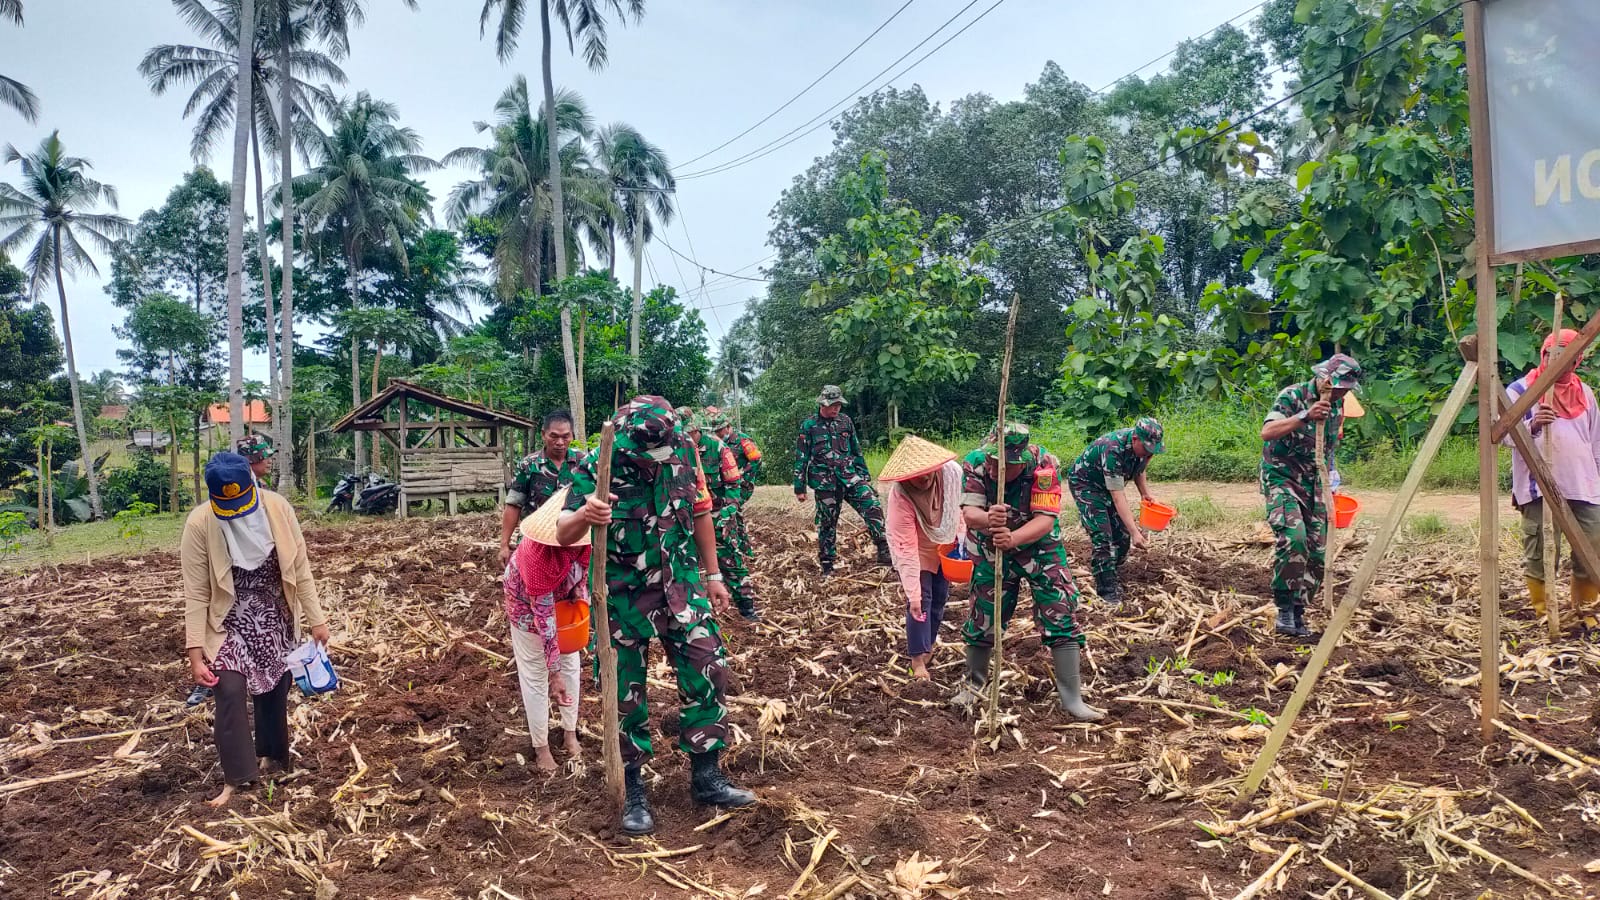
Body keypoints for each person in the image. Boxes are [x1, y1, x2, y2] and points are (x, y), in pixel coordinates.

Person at [557, 397, 755, 836]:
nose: (656, 456)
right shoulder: (599, 460)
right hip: (622, 595)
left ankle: (707, 778)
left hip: (682, 586)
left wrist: (714, 573)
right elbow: (563, 528)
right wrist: (587, 514)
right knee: (626, 695)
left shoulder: (684, 448)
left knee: (710, 667)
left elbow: (700, 510)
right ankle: (634, 792)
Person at [181, 452, 329, 807]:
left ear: (252, 482)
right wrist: (195, 651)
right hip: (227, 620)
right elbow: (197, 591)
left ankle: (273, 758)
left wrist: (317, 618)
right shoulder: (200, 524)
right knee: (229, 689)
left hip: (275, 613)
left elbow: (301, 567)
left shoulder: (278, 509)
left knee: (275, 687)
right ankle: (238, 779)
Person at [951, 424, 1103, 721]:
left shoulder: (1045, 466)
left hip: (1039, 547)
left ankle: (1072, 698)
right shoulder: (976, 462)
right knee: (984, 614)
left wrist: (1014, 538)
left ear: (1020, 461)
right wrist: (987, 518)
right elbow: (970, 514)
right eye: (992, 460)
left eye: (1002, 464)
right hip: (990, 546)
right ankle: (973, 686)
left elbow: (1045, 520)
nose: (994, 468)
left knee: (1059, 610)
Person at [1259, 354, 1362, 639]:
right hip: (1282, 477)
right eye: (1336, 386)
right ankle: (1284, 609)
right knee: (1295, 537)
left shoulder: (1338, 405)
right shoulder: (1292, 396)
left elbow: (1328, 447)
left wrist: (1331, 479)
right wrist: (1305, 415)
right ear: (1322, 377)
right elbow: (1267, 432)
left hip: (1315, 479)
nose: (1339, 392)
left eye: (1345, 389)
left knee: (1318, 548)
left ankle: (1299, 609)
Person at [1505, 329, 1600, 629]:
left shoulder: (1584, 393)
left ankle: (1585, 611)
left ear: (1577, 361)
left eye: (1567, 357)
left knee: (1591, 548)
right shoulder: (1521, 391)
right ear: (1543, 355)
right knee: (1542, 550)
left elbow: (1595, 441)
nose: (1558, 363)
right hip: (1539, 485)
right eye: (1552, 355)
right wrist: (1532, 425)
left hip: (1584, 485)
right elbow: (1503, 434)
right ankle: (1545, 612)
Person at [503, 488, 586, 771]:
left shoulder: (586, 537)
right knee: (537, 674)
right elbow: (543, 615)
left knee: (571, 662)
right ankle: (541, 748)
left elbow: (585, 570)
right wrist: (554, 672)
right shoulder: (536, 555)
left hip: (562, 601)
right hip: (527, 607)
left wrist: (577, 588)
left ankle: (569, 732)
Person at [880, 435, 964, 680]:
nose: (925, 478)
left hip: (945, 538)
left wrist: (964, 546)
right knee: (920, 601)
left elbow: (962, 510)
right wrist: (912, 593)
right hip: (917, 545)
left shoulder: (951, 475)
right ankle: (917, 660)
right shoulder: (901, 495)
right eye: (917, 475)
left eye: (929, 472)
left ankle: (928, 646)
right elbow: (904, 545)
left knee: (940, 596)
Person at [1068, 418, 1166, 610]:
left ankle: (1112, 567)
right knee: (1103, 535)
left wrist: (1145, 493)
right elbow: (1117, 496)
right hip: (1087, 484)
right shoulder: (1112, 449)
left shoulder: (1143, 449)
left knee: (1121, 537)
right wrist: (1136, 530)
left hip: (1109, 486)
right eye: (1147, 450)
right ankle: (1107, 589)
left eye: (1152, 452)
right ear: (1136, 439)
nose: (1149, 455)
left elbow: (1140, 469)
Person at [793, 385, 890, 574]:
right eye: (832, 405)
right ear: (822, 403)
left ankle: (883, 549)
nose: (836, 408)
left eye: (838, 404)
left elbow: (856, 451)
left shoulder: (845, 421)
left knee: (873, 505)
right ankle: (827, 564)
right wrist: (800, 487)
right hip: (825, 482)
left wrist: (865, 478)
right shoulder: (809, 426)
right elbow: (801, 457)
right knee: (827, 523)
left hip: (850, 476)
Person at [680, 408, 762, 621]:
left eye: (690, 433)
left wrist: (727, 513)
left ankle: (747, 608)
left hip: (717, 514)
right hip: (686, 518)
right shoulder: (676, 451)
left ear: (697, 429)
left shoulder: (717, 448)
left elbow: (734, 485)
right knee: (684, 567)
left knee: (730, 561)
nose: (686, 438)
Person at [501, 410, 578, 566]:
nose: (560, 442)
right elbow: (514, 504)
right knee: (533, 588)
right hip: (534, 540)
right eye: (554, 436)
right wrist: (504, 544)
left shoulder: (583, 464)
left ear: (572, 436)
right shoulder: (529, 465)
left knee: (574, 589)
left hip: (572, 542)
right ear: (543, 434)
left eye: (565, 436)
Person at [709, 408, 763, 506]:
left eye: (720, 430)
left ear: (728, 427)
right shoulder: (719, 443)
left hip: (742, 485)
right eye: (716, 431)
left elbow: (757, 460)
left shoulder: (743, 440)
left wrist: (742, 472)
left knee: (732, 508)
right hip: (724, 484)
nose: (718, 434)